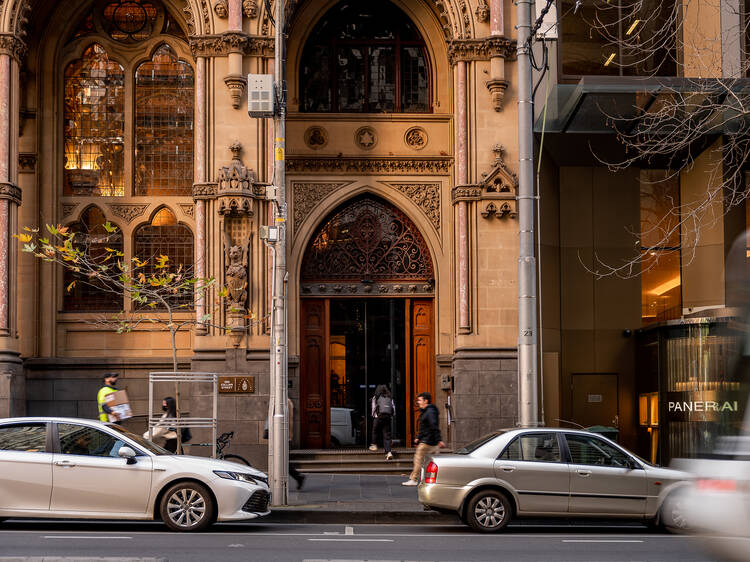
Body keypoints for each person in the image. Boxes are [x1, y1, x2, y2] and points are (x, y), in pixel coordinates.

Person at [402, 391, 445, 486]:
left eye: (420, 400)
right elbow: (424, 427)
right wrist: (418, 437)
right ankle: (435, 480)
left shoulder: (429, 412)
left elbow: (433, 426)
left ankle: (414, 479)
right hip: (431, 442)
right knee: (432, 463)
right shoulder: (428, 411)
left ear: (426, 401)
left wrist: (439, 440)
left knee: (418, 460)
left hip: (427, 442)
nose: (418, 402)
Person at [368, 384, 395, 460]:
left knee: (375, 431)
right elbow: (393, 408)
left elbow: (373, 408)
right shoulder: (390, 397)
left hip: (378, 417)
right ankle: (389, 452)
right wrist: (391, 415)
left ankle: (374, 445)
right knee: (387, 435)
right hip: (387, 417)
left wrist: (373, 415)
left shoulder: (375, 397)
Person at [287, 398, 306, 490]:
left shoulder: (284, 401)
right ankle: (298, 477)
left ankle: (298, 477)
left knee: (283, 463)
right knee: (283, 462)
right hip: (286, 436)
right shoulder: (287, 401)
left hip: (283, 437)